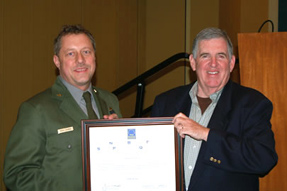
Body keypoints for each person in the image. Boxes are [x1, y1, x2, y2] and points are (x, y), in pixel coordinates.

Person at [151, 27, 278, 191]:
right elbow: (149, 157)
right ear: (193, 62)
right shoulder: (165, 102)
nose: (213, 63)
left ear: (231, 63)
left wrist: (206, 134)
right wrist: (114, 133)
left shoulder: (252, 104)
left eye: (221, 56)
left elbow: (263, 159)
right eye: (205, 56)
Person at [3, 25, 122, 191]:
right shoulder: (36, 109)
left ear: (95, 57)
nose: (80, 60)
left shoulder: (110, 101)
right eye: (71, 53)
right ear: (57, 61)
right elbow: (16, 175)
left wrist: (122, 139)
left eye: (86, 51)